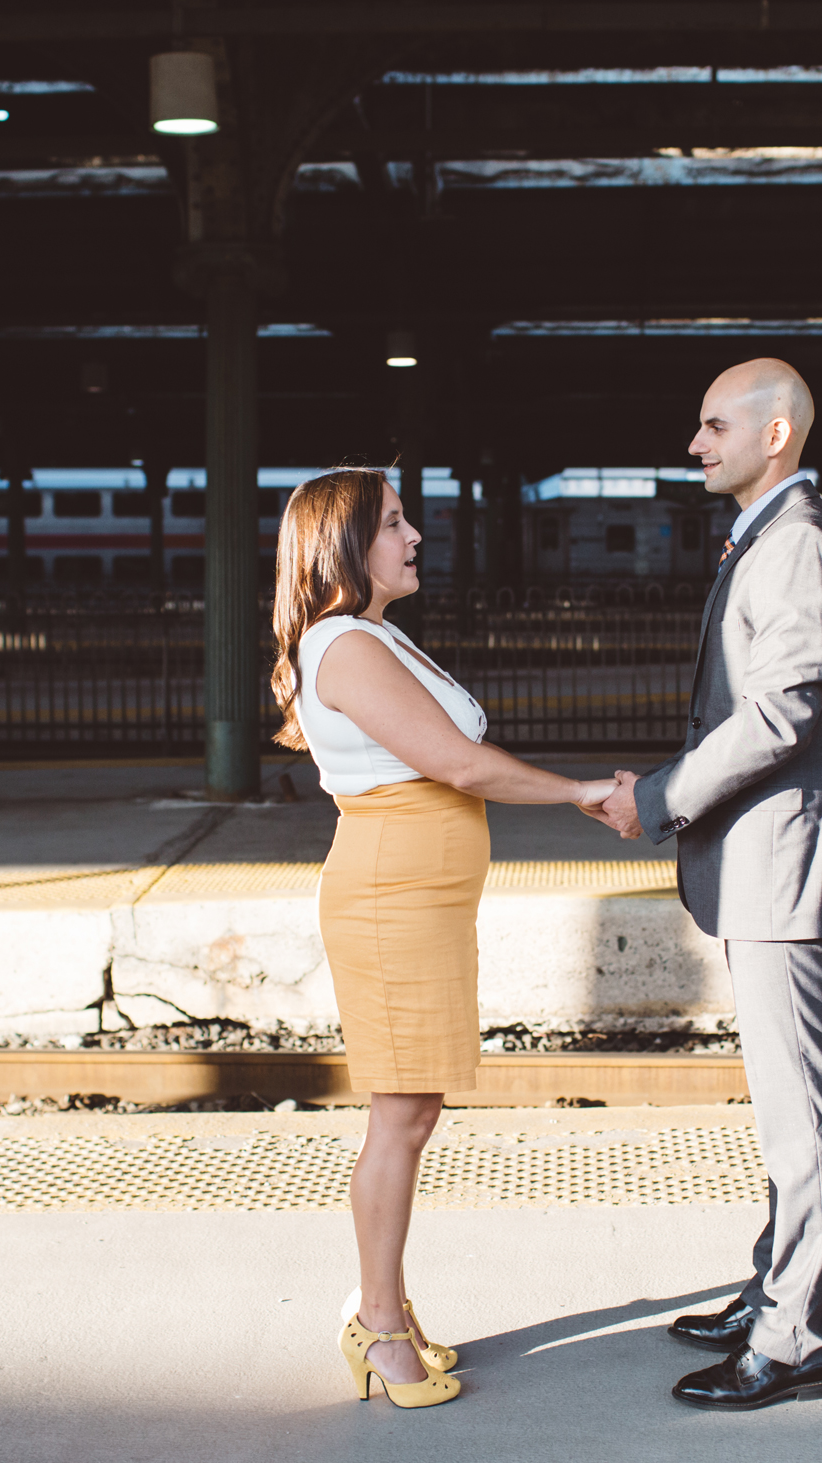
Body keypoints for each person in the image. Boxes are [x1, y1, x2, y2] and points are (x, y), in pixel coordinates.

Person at [270, 467, 618, 1410]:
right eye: (391, 522)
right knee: (401, 1115)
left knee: (411, 1111)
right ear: (344, 545)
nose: (414, 534)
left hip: (418, 895)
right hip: (391, 898)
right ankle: (377, 1327)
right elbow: (457, 762)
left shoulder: (376, 635)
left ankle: (388, 1306)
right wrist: (581, 791)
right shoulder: (344, 644)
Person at [593, 359, 822, 1411]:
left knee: (799, 1113)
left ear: (776, 433)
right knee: (783, 1104)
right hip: (760, 862)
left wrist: (658, 795)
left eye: (713, 425)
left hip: (781, 867)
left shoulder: (797, 548)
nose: (694, 444)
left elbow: (776, 717)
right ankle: (775, 1286)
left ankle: (794, 1335)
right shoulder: (771, 537)